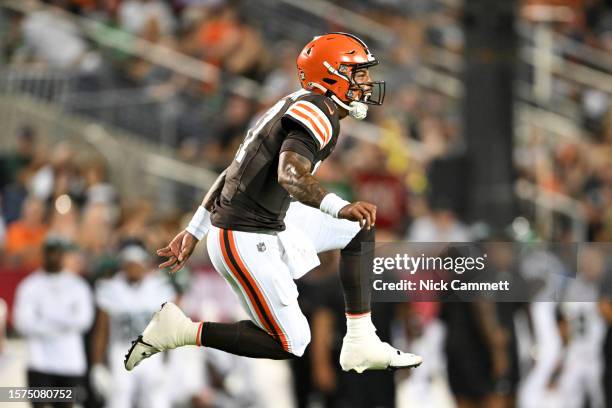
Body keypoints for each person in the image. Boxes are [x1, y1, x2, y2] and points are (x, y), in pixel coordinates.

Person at [125, 32, 422, 373]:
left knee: (357, 229)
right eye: (358, 73)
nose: (367, 83)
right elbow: (289, 175)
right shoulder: (318, 113)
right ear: (331, 76)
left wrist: (194, 230)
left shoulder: (300, 102)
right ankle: (180, 331)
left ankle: (360, 341)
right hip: (245, 235)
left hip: (268, 221)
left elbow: (232, 171)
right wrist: (336, 205)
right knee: (291, 343)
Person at [13, 235, 94, 408]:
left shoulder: (77, 286)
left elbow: (84, 321)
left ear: (64, 255)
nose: (53, 257)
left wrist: (44, 320)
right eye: (50, 253)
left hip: (69, 362)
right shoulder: (30, 285)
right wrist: (64, 322)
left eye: (57, 253)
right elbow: (22, 322)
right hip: (39, 361)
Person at [91, 244, 176, 408]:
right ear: (123, 266)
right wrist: (97, 364)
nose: (133, 269)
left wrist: (168, 361)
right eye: (129, 265)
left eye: (136, 264)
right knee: (119, 399)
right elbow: (102, 330)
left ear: (144, 264)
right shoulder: (111, 288)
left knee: (157, 401)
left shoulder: (158, 287)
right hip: (121, 350)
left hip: (152, 351)